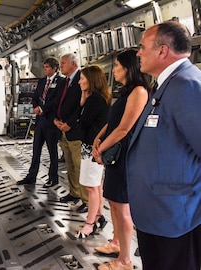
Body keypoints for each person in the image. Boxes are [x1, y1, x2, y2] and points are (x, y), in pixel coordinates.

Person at [127, 21, 201, 270]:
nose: (138, 53)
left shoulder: (187, 85)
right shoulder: (166, 85)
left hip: (176, 217)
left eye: (142, 47)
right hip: (158, 214)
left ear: (162, 51)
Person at [92, 49, 149, 270]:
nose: (114, 70)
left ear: (128, 68)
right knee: (113, 203)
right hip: (115, 156)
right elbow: (114, 121)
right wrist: (99, 137)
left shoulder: (139, 91)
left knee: (122, 207)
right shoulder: (126, 92)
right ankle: (116, 242)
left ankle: (125, 261)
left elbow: (125, 128)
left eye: (117, 65)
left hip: (125, 157)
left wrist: (101, 149)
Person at [74, 65, 111, 238]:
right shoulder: (99, 98)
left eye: (82, 78)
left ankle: (90, 224)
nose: (80, 82)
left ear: (92, 80)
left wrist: (78, 118)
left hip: (91, 147)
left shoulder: (94, 100)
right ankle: (98, 216)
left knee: (91, 187)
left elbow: (83, 122)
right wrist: (83, 98)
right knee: (97, 186)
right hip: (94, 147)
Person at [16, 57, 65, 188]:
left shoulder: (61, 82)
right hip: (40, 121)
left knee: (52, 152)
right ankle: (31, 176)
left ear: (54, 68)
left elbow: (57, 100)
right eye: (44, 67)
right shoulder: (42, 81)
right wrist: (36, 106)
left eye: (47, 67)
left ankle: (53, 178)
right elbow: (36, 96)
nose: (45, 70)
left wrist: (43, 108)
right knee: (36, 150)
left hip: (51, 121)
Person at [54, 53, 87, 213]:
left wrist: (70, 124)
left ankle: (86, 199)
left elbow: (82, 107)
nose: (61, 66)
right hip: (63, 130)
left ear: (74, 64)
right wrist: (56, 119)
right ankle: (74, 192)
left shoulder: (82, 78)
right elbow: (57, 102)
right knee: (70, 165)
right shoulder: (64, 82)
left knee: (80, 166)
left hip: (75, 131)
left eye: (63, 63)